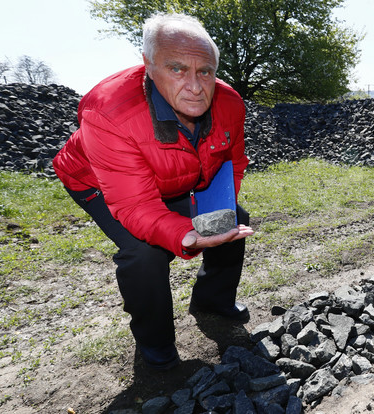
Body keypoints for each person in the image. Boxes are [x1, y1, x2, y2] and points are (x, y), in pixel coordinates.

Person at [52, 12, 254, 371]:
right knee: (144, 252)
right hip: (98, 181)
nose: (195, 85)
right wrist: (186, 236)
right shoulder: (109, 112)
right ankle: (156, 342)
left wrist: (217, 210)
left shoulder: (230, 103)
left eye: (205, 71)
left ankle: (212, 300)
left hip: (174, 176)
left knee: (232, 220)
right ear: (148, 64)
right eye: (177, 69)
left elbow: (232, 162)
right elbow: (134, 204)